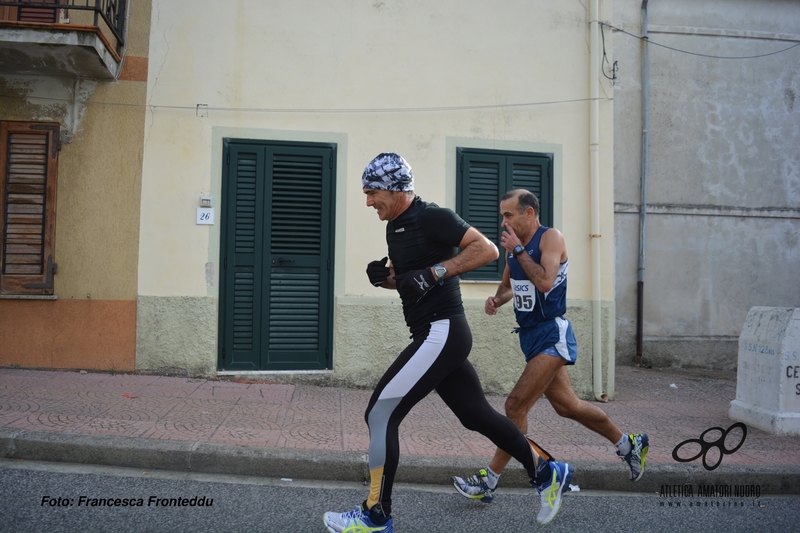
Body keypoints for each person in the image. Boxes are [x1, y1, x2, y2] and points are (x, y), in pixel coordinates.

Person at [324, 155, 575, 533]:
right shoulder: (395, 226)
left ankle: (376, 515)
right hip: (435, 335)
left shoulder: (431, 216)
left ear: (395, 190)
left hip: (442, 332)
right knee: (476, 416)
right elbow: (414, 281)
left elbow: (487, 249)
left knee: (380, 414)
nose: (368, 202)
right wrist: (386, 278)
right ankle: (545, 470)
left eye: (372, 193)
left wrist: (436, 271)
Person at [451, 189, 649, 504]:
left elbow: (545, 281)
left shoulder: (550, 238)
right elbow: (509, 287)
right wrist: (496, 300)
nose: (504, 222)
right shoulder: (513, 250)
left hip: (552, 334)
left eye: (509, 215)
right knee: (567, 406)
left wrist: (518, 251)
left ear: (529, 213)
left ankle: (490, 480)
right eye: (503, 216)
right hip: (530, 337)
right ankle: (628, 444)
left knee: (515, 407)